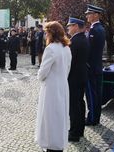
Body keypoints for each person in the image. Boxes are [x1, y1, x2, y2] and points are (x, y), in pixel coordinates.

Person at [35, 21, 72, 152]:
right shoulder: (66, 48)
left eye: (46, 32)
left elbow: (43, 72)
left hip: (51, 87)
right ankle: (58, 143)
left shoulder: (50, 49)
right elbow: (68, 68)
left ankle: (51, 144)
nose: (45, 35)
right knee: (60, 116)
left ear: (52, 33)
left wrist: (39, 76)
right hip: (62, 85)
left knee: (49, 117)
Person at [66, 17, 89, 142]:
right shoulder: (82, 39)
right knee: (80, 103)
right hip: (81, 77)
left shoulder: (74, 41)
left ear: (75, 26)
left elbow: (69, 62)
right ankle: (79, 130)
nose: (68, 28)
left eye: (70, 26)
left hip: (74, 78)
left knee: (74, 106)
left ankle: (74, 133)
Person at [85, 4, 106, 126]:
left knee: (92, 94)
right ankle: (95, 117)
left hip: (91, 67)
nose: (87, 16)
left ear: (96, 15)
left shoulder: (94, 29)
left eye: (90, 13)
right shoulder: (101, 28)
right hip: (97, 66)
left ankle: (92, 119)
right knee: (97, 94)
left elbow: (90, 50)